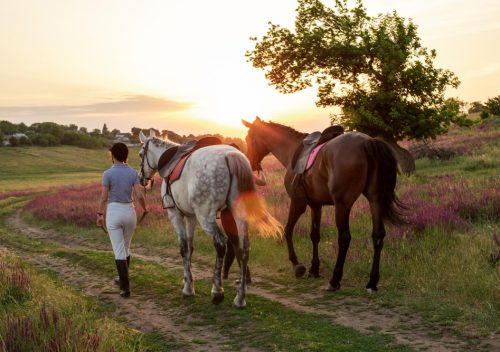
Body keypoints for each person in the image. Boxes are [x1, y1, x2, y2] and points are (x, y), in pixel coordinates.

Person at [96, 142, 148, 298]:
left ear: (113, 156)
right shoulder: (133, 173)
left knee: (119, 250)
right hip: (129, 212)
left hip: (114, 212)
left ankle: (125, 288)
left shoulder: (107, 174)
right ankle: (121, 278)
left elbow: (104, 197)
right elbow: (139, 195)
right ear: (126, 156)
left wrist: (99, 214)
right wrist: (145, 209)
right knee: (126, 248)